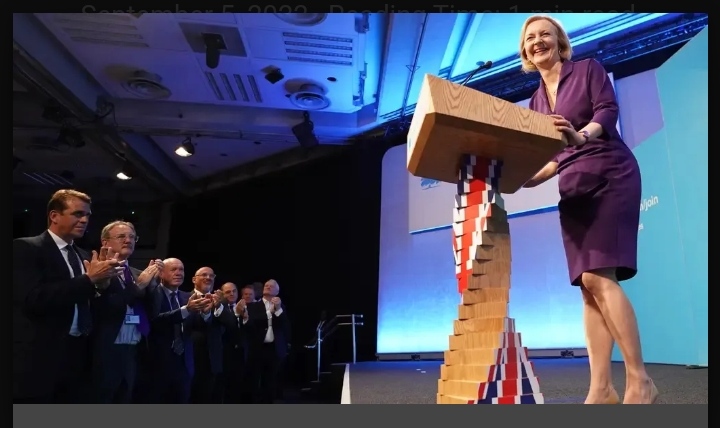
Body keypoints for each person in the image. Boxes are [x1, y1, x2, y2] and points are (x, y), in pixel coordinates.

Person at [519, 15, 658, 405]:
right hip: (573, 189)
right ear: (525, 51)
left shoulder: (587, 69)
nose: (538, 41)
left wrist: (580, 136)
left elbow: (607, 111)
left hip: (609, 173)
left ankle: (640, 381)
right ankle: (601, 388)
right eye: (530, 38)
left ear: (560, 41)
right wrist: (524, 179)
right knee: (588, 287)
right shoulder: (534, 102)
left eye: (545, 34)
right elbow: (553, 158)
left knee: (598, 276)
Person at [13, 189, 124, 403]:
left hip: (79, 355)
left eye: (87, 215)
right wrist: (89, 280)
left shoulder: (84, 255)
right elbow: (32, 299)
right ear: (54, 216)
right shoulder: (26, 248)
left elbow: (88, 299)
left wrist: (101, 285)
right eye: (77, 214)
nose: (84, 220)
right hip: (39, 359)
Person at [89, 220, 161, 403]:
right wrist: (139, 286)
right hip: (104, 351)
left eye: (132, 237)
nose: (128, 240)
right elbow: (104, 308)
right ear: (105, 242)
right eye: (121, 236)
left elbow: (153, 312)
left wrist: (153, 284)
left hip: (133, 351)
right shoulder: (97, 270)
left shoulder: (138, 273)